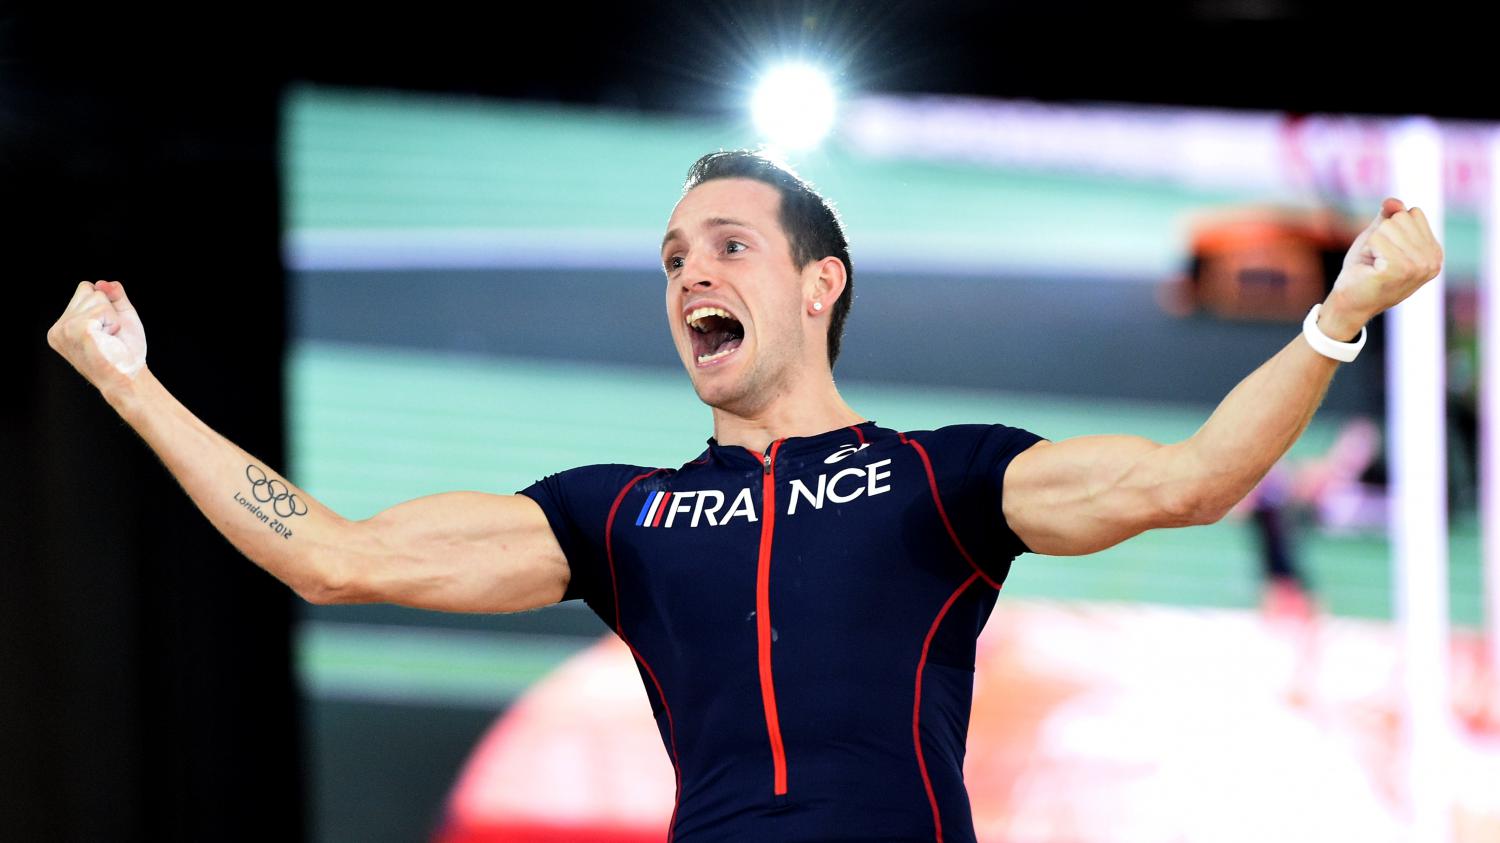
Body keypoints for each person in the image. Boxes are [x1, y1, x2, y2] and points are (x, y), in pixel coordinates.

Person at [47, 150, 1443, 843]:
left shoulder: (937, 480)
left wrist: (1342, 314)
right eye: (670, 259)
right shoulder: (625, 520)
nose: (690, 274)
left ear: (820, 283)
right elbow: (335, 561)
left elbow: (1193, 480)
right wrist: (132, 387)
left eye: (726, 244)